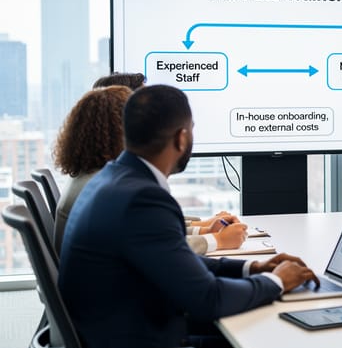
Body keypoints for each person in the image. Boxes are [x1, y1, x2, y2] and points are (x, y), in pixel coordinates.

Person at [58, 84, 320, 348]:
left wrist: (253, 268)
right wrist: (277, 281)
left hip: (131, 336)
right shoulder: (141, 198)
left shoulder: (112, 179)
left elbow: (178, 260)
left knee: (265, 339)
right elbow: (208, 299)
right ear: (181, 138)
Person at [52, 84, 244, 256]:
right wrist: (217, 240)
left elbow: (145, 231)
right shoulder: (106, 188)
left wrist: (203, 229)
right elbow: (159, 249)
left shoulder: (92, 179)